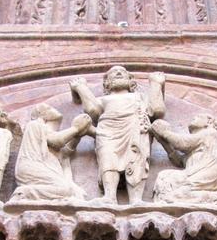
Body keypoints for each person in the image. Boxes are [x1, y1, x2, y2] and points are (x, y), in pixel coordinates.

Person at [70, 66, 165, 204]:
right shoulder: (104, 99)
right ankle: (110, 197)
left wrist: (156, 84)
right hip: (107, 132)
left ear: (130, 81)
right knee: (108, 160)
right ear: (106, 83)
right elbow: (93, 110)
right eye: (113, 73)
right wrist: (81, 88)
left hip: (134, 128)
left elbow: (157, 110)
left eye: (123, 72)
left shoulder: (139, 97)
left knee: (136, 160)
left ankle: (136, 199)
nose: (119, 73)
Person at [11, 103, 91, 201]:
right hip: (32, 167)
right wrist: (76, 128)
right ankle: (24, 193)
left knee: (74, 192)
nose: (53, 109)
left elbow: (64, 154)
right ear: (42, 114)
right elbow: (57, 141)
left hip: (41, 167)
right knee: (66, 190)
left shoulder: (49, 137)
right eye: (49, 108)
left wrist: (78, 135)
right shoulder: (35, 124)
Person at [150, 114, 217, 207]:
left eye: (199, 117)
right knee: (164, 176)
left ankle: (208, 199)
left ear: (209, 122)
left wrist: (165, 132)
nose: (194, 117)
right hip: (194, 173)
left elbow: (183, 143)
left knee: (169, 182)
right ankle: (168, 202)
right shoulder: (196, 147)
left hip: (207, 174)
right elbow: (179, 161)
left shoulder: (210, 133)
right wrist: (163, 141)